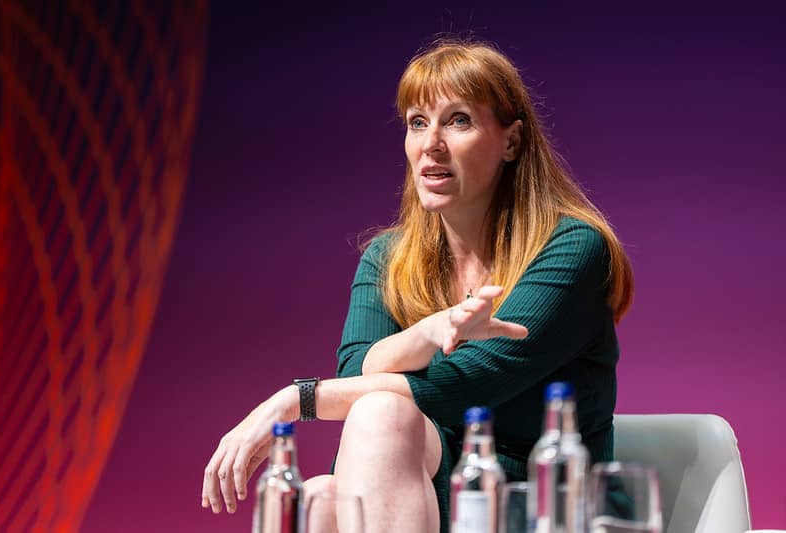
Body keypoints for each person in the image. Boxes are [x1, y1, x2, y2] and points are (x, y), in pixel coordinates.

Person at [201, 37, 633, 533]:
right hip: (433, 492)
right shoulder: (387, 259)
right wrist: (428, 332)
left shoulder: (571, 246)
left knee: (369, 432)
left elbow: (468, 384)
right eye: (417, 122)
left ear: (511, 142)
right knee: (326, 488)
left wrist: (297, 400)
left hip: (545, 504)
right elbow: (356, 375)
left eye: (458, 121)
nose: (431, 144)